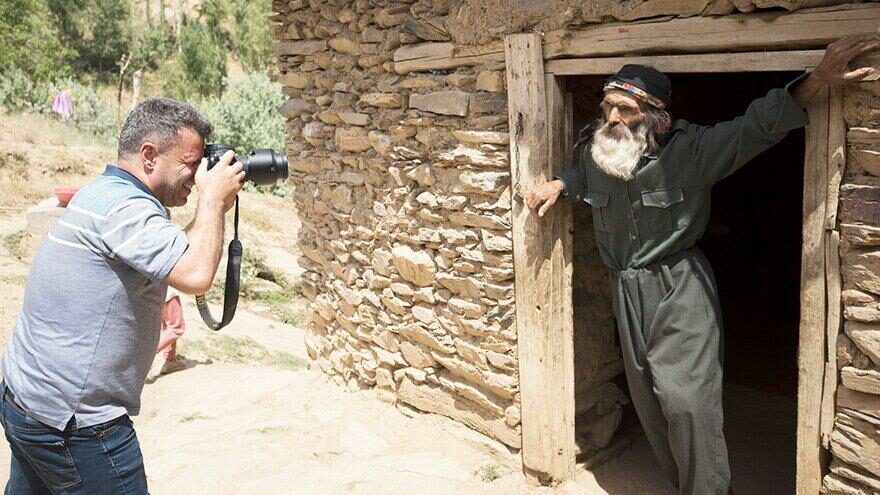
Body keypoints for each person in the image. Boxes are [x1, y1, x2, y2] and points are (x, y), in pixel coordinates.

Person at [524, 34, 880, 495]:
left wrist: (816, 78)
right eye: (608, 106)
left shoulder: (691, 152)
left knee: (688, 401)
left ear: (657, 118)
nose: (612, 117)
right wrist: (560, 184)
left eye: (626, 110)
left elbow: (758, 126)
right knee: (650, 403)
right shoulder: (597, 145)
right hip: (624, 288)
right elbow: (584, 173)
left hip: (678, 285)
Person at [0, 97, 244, 494]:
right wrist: (212, 200)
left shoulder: (104, 192)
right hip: (75, 424)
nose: (198, 173)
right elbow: (197, 274)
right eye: (190, 162)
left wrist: (210, 208)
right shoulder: (125, 208)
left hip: (27, 400)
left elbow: (170, 252)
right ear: (149, 155)